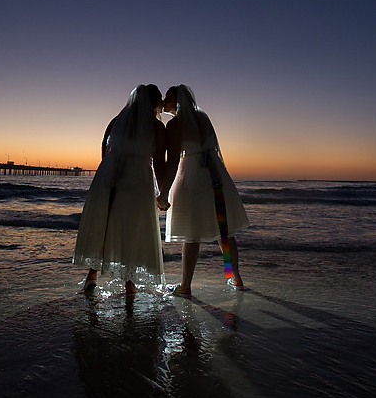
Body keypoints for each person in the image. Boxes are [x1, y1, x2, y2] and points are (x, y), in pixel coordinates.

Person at [73, 84, 167, 295]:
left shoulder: (117, 121)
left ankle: (92, 275)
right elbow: (160, 161)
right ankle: (129, 283)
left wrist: (108, 171)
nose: (162, 102)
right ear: (153, 102)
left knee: (107, 223)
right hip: (138, 176)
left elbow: (104, 146)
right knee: (132, 228)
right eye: (159, 98)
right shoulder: (156, 127)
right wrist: (163, 191)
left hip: (110, 173)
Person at [158, 85, 249, 296]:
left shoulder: (175, 124)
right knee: (223, 231)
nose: (164, 101)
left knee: (192, 234)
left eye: (168, 98)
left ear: (178, 102)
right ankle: (235, 277)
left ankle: (186, 285)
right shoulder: (203, 118)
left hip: (191, 177)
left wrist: (163, 191)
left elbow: (172, 160)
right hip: (215, 175)